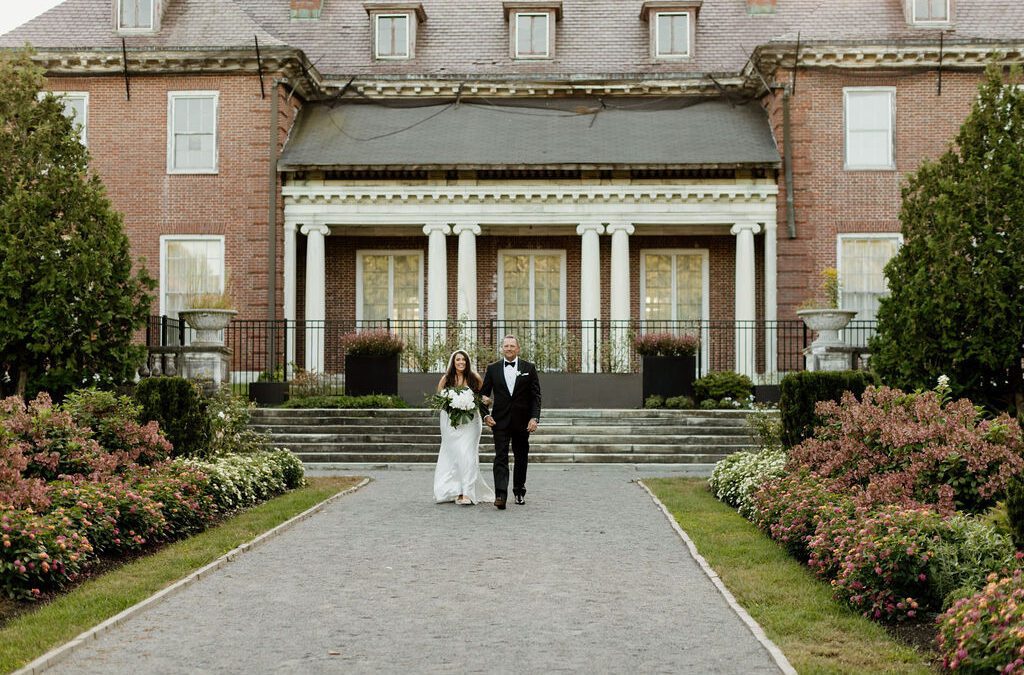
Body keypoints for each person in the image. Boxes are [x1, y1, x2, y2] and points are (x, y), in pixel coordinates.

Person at [480, 334, 541, 510]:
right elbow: (483, 395)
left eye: (512, 346)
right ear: (502, 348)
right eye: (506, 346)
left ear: (518, 348)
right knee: (500, 457)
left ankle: (519, 490)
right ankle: (500, 494)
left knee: (521, 457)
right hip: (499, 421)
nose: (509, 349)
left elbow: (536, 396)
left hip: (523, 421)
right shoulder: (493, 369)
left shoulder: (529, 368)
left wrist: (534, 417)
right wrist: (485, 415)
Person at [433, 350, 495, 505]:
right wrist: (453, 406)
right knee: (454, 457)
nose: (461, 362)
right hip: (451, 426)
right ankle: (455, 490)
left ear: (467, 362)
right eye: (458, 360)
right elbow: (439, 400)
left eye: (464, 360)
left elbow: (484, 399)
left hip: (471, 424)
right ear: (453, 362)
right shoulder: (446, 379)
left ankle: (466, 493)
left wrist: (487, 402)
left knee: (467, 455)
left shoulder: (474, 378)